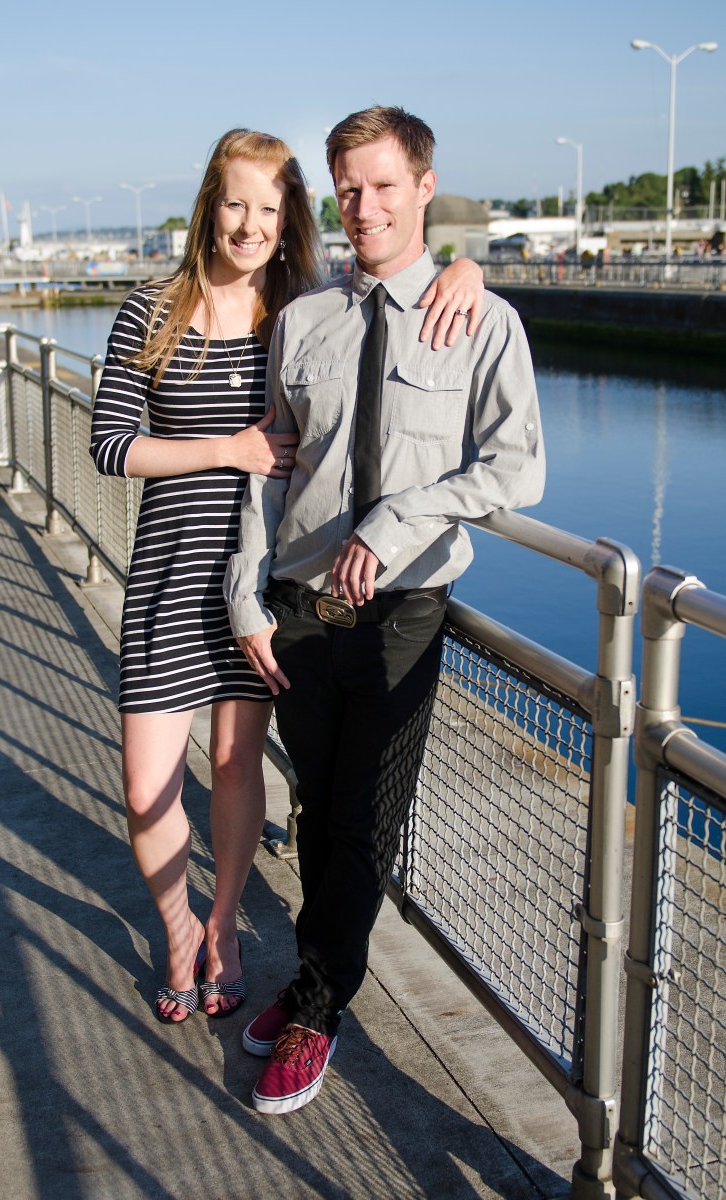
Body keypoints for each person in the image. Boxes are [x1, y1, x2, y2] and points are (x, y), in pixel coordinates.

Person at [89, 127, 486, 1026]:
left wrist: (462, 268)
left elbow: (398, 292)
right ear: (208, 205)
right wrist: (222, 448)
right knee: (145, 782)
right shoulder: (149, 314)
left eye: (270, 208)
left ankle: (221, 932)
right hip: (165, 576)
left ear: (289, 219)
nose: (249, 224)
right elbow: (110, 446)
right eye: (235, 203)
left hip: (258, 588)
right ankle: (175, 926)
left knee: (235, 766)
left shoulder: (300, 313)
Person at [224, 105, 546, 1112]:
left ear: (423, 186)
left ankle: (318, 1009)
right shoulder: (303, 320)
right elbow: (268, 470)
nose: (364, 206)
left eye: (383, 185)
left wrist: (402, 518)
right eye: (348, 188)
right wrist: (246, 595)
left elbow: (518, 468)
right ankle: (318, 973)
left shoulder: (482, 319)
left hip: (404, 612)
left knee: (363, 820)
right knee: (319, 812)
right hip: (302, 608)